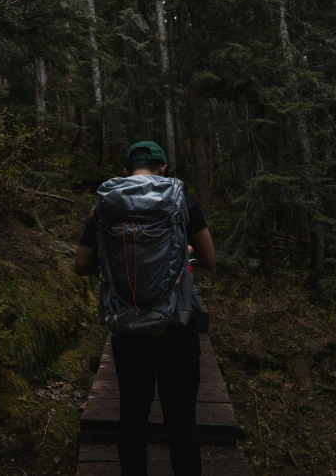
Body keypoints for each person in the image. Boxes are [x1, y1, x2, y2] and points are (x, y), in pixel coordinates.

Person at [75, 141, 215, 476]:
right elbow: (209, 259)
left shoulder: (104, 205)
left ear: (126, 170)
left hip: (127, 325)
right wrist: (186, 246)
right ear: (163, 168)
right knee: (181, 417)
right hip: (178, 325)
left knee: (133, 415)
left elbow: (81, 265)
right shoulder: (182, 199)